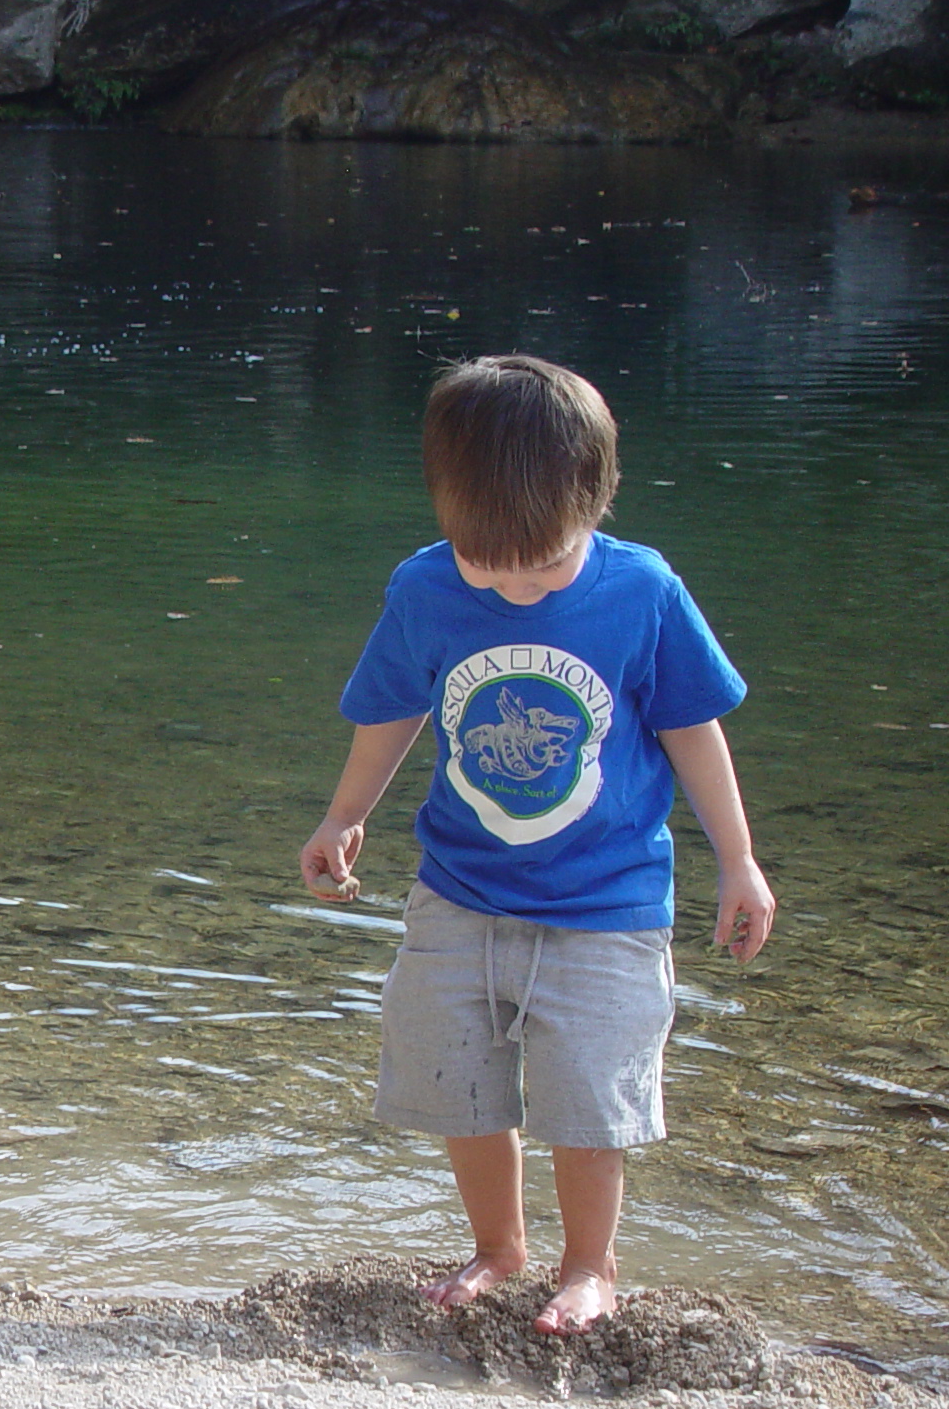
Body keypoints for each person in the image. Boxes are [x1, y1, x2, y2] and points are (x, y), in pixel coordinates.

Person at [299, 355, 775, 1336]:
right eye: (486, 562)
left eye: (543, 563)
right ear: (445, 513)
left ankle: (590, 1266)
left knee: (588, 1097)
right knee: (457, 1077)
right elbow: (390, 710)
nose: (513, 582)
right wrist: (344, 815)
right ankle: (497, 1246)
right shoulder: (425, 588)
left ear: (595, 506)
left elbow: (692, 726)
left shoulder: (640, 591)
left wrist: (738, 858)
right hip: (458, 891)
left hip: (607, 904)